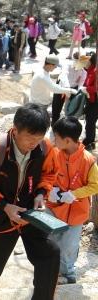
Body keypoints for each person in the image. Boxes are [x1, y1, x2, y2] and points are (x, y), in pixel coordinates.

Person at [0, 103, 60, 300]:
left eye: (38, 138)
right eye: (29, 137)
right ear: (16, 130)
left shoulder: (46, 148)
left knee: (51, 253)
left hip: (30, 214)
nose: (33, 143)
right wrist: (4, 205)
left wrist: (40, 194)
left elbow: (49, 174)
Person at [47, 117, 98, 285]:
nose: (53, 140)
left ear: (67, 140)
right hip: (54, 207)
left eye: (56, 137)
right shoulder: (54, 153)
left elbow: (95, 186)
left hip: (76, 211)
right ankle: (53, 271)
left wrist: (75, 194)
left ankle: (68, 275)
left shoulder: (88, 160)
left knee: (69, 246)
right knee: (53, 242)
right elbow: (47, 176)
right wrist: (50, 189)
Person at [51, 54, 89, 125]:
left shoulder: (84, 72)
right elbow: (64, 76)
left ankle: (67, 124)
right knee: (56, 105)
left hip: (73, 89)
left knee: (70, 108)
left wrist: (81, 90)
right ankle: (54, 122)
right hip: (62, 86)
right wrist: (67, 89)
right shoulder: (67, 66)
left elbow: (80, 84)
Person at [82, 52, 97, 150]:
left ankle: (89, 142)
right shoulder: (91, 69)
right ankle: (90, 140)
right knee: (90, 121)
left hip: (94, 101)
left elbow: (95, 87)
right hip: (90, 99)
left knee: (90, 122)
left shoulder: (95, 71)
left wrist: (86, 89)